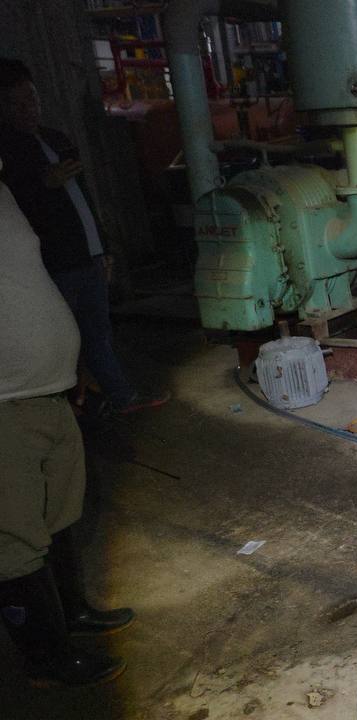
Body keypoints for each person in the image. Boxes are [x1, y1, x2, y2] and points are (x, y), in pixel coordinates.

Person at [1, 161, 134, 687]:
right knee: (15, 539)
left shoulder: (5, 194)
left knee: (57, 516)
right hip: (7, 401)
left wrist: (66, 359)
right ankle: (45, 659)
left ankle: (70, 613)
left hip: (49, 390)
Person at [0, 57, 167, 415]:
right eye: (18, 103)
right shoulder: (9, 152)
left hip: (87, 255)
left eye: (32, 98)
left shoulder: (54, 139)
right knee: (64, 337)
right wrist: (43, 184)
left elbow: (83, 199)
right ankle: (77, 403)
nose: (29, 109)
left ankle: (116, 397)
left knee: (98, 334)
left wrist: (102, 247)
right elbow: (17, 210)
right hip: (56, 262)